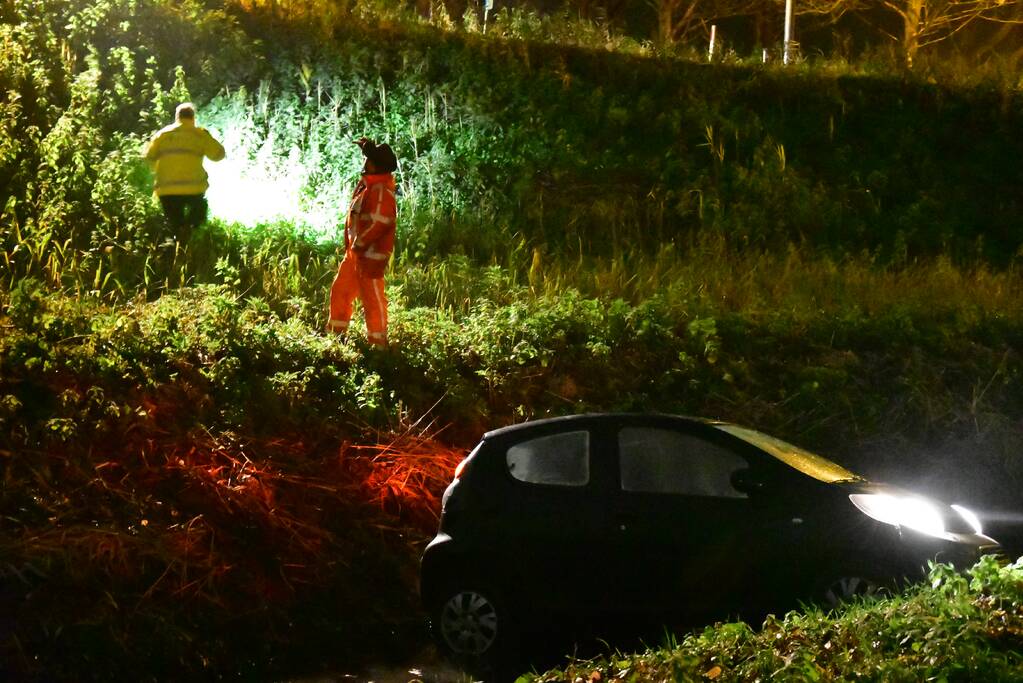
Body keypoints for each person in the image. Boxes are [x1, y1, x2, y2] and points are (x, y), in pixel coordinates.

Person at [327, 137, 398, 346]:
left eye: (368, 159)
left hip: (369, 258)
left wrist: (359, 244)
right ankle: (336, 339)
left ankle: (378, 346)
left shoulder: (381, 191)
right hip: (356, 255)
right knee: (340, 291)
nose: (364, 162)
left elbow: (379, 223)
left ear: (376, 165)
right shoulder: (368, 187)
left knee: (373, 301)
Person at [144, 102, 225, 243]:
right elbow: (219, 155)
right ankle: (190, 234)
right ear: (193, 118)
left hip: (166, 190)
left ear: (177, 117)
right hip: (193, 189)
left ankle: (175, 244)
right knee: (198, 214)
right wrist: (208, 138)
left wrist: (159, 171)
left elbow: (148, 157)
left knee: (174, 223)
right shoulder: (199, 134)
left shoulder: (162, 134)